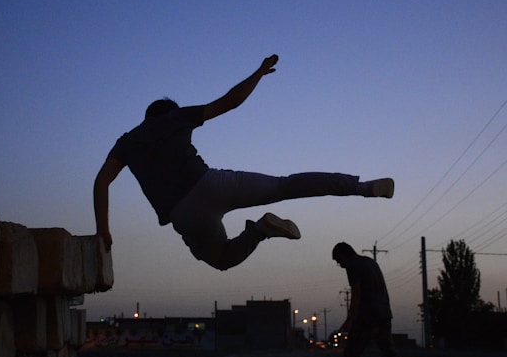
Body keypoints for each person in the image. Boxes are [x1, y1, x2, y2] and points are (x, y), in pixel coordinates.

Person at [94, 54, 395, 271]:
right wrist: (259, 72)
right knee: (285, 185)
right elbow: (230, 101)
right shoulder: (176, 117)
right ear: (169, 113)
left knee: (222, 260)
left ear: (146, 117)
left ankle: (260, 230)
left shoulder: (127, 141)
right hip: (214, 185)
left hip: (183, 214)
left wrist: (103, 230)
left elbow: (101, 182)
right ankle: (363, 188)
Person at [332, 242, 411, 357]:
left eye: (338, 261)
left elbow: (356, 293)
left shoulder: (352, 265)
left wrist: (350, 319)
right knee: (390, 354)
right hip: (384, 315)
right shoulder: (370, 262)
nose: (340, 265)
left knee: (351, 356)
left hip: (367, 318)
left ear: (343, 255)